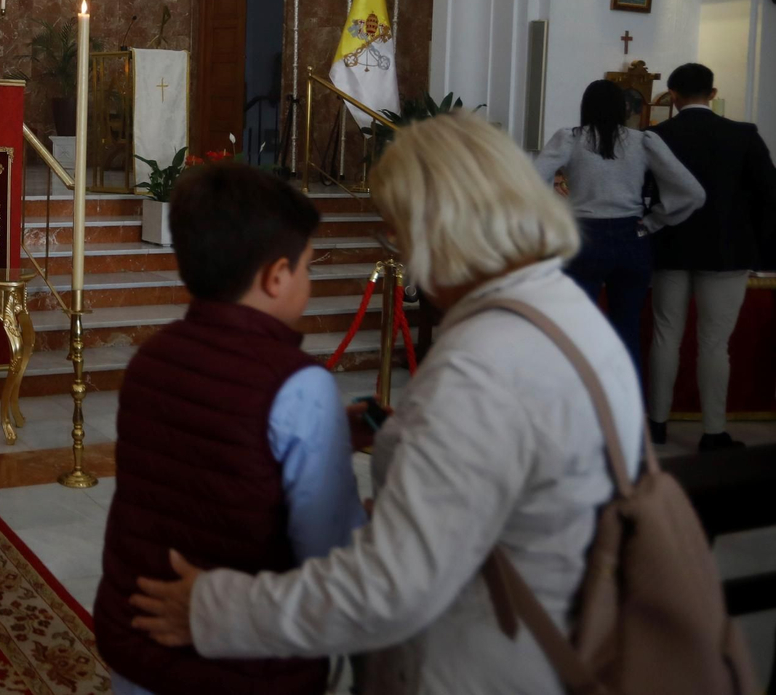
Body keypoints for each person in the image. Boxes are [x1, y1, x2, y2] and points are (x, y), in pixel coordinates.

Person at [128, 113, 643, 695]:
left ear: (440, 231)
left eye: (397, 232)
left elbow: (390, 588)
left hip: (486, 662)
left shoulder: (482, 365)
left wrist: (213, 609)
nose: (402, 255)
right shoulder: (565, 312)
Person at [94, 163, 366, 695]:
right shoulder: (298, 386)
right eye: (307, 269)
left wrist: (332, 437)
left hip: (137, 644)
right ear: (276, 277)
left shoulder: (151, 357)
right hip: (242, 661)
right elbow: (328, 551)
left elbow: (212, 457)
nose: (308, 283)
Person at [647, 63, 776, 450]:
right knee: (714, 343)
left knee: (665, 335)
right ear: (713, 93)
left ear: (672, 95)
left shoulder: (656, 136)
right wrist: (762, 249)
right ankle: (713, 431)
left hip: (670, 246)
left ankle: (656, 423)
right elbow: (769, 194)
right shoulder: (742, 134)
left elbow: (646, 194)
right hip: (728, 249)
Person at [533, 79, 703, 368]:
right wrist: (653, 221)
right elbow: (693, 193)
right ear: (624, 108)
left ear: (585, 107)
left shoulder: (570, 138)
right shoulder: (643, 141)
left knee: (576, 331)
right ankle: (628, 411)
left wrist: (557, 216)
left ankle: (581, 408)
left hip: (583, 237)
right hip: (632, 238)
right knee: (627, 331)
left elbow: (530, 182)